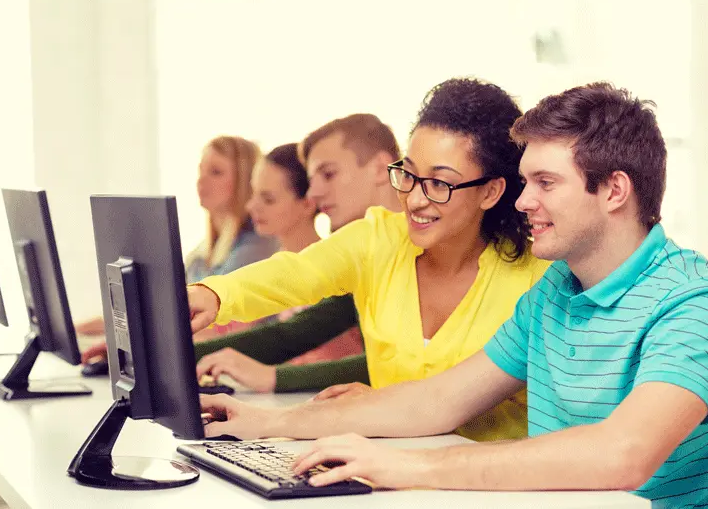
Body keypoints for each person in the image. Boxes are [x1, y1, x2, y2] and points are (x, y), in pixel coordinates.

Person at [194, 83, 708, 508]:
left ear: (615, 190)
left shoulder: (697, 307)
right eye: (525, 182)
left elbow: (623, 454)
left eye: (545, 184)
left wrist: (411, 467)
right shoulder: (556, 292)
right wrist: (267, 424)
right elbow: (437, 400)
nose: (523, 202)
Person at [189, 78, 551, 442]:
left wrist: (377, 403)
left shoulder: (537, 279)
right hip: (387, 474)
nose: (415, 199)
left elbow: (444, 403)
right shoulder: (376, 241)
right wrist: (213, 295)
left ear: (490, 191)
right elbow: (297, 272)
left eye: (440, 184)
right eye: (409, 174)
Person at [191, 114, 402, 393]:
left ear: (379, 168)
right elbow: (293, 332)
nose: (314, 192)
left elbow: (395, 367)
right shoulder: (366, 247)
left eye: (328, 174)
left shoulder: (415, 247)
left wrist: (274, 377)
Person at [78, 136, 278, 356]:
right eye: (200, 170)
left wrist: (127, 344)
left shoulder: (256, 248)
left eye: (216, 172)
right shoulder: (203, 252)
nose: (201, 180)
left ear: (244, 181)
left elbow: (217, 332)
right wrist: (81, 330)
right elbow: (161, 313)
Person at [198, 142, 365, 363]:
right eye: (253, 194)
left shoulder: (335, 273)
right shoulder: (272, 266)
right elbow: (234, 327)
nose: (251, 207)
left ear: (307, 204)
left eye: (268, 199)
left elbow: (288, 340)